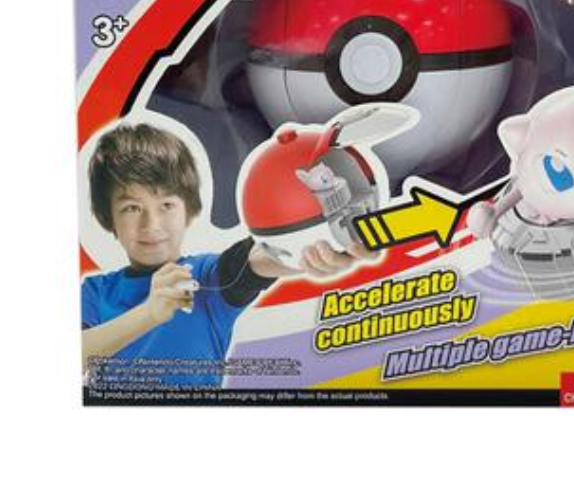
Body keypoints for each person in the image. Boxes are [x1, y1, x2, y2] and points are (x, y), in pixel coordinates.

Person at [81, 122, 365, 388]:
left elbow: (259, 258)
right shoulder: (94, 292)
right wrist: (149, 314)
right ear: (108, 218)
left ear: (189, 210)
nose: (151, 224)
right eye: (132, 208)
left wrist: (317, 242)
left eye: (166, 205)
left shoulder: (205, 275)